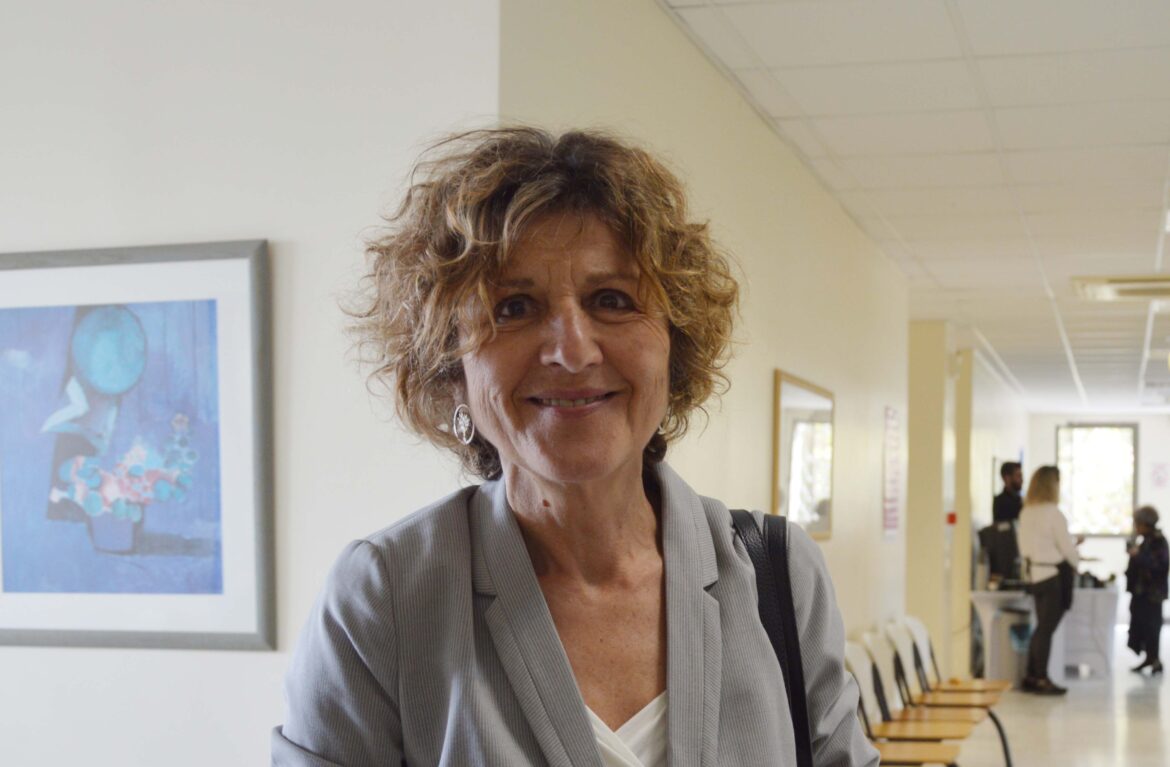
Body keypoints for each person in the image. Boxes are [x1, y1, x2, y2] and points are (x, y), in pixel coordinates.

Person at [271, 128, 877, 766]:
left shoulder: (775, 575)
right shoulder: (385, 597)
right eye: (513, 308)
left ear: (675, 347)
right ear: (451, 368)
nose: (572, 350)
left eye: (611, 300)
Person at [1017, 465, 1080, 695]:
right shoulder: (1053, 513)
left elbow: (1024, 547)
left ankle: (1032, 675)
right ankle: (1041, 677)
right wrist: (1076, 562)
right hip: (1053, 576)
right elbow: (1066, 548)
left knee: (1041, 627)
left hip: (1035, 575)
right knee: (1046, 629)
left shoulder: (1026, 513)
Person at [1126, 505, 1168, 676]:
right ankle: (1150, 658)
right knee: (1142, 625)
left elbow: (1160, 566)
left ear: (1145, 523)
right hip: (1142, 592)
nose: (1136, 527)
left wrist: (1138, 555)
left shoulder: (1158, 540)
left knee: (1152, 627)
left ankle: (1155, 659)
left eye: (1137, 523)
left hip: (1152, 593)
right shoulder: (1146, 540)